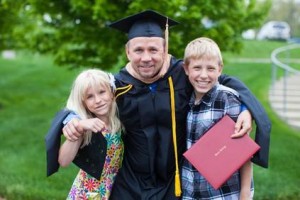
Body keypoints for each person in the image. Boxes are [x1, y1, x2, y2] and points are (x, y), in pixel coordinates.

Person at [51, 10, 270, 200]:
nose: (146, 58)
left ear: (165, 50)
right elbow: (86, 97)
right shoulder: (118, 86)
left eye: (153, 50)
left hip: (173, 184)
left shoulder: (183, 74)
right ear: (128, 52)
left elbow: (223, 83)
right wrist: (71, 119)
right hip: (129, 184)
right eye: (138, 50)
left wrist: (244, 109)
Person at [181, 37, 255, 199]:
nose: (203, 75)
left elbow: (243, 151)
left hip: (223, 194)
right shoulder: (185, 99)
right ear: (186, 68)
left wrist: (245, 193)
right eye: (197, 68)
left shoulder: (227, 99)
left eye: (211, 68)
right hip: (190, 192)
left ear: (220, 69)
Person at [46, 69, 124, 199]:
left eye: (102, 92)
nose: (98, 100)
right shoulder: (85, 126)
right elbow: (64, 161)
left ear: (111, 92)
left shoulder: (119, 120)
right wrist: (80, 128)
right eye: (90, 96)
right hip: (87, 193)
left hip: (116, 189)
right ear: (83, 102)